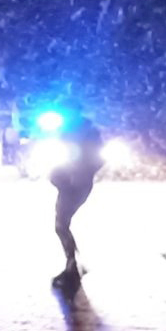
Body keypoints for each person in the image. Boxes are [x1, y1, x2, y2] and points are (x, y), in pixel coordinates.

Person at [49, 117, 103, 289]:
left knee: (61, 225)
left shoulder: (85, 134)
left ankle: (72, 267)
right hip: (69, 184)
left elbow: (97, 159)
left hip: (74, 185)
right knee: (61, 225)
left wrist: (80, 173)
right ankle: (73, 264)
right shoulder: (76, 132)